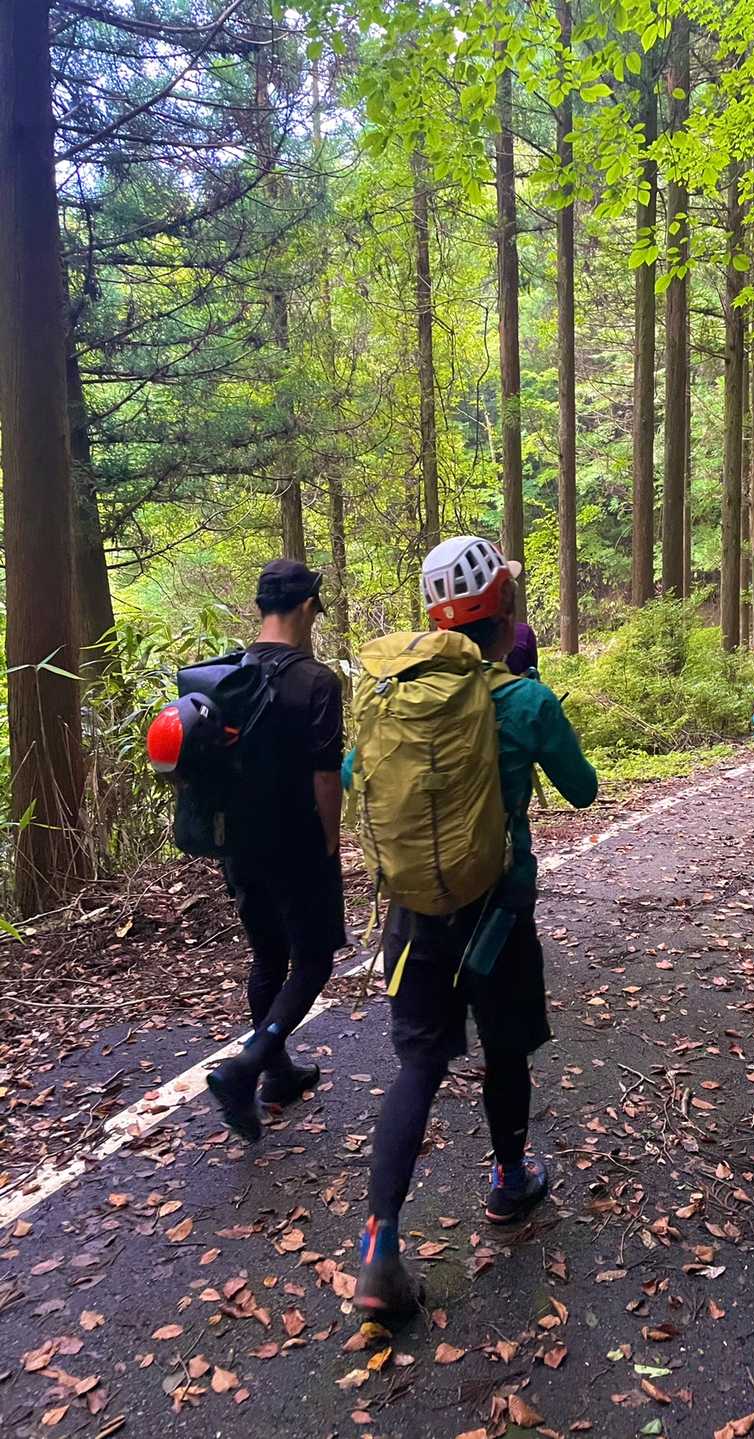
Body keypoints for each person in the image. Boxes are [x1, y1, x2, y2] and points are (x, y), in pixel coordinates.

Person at [355, 536, 597, 1319]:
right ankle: (508, 1179)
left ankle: (380, 1246)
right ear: (503, 611)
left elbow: (358, 775)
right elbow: (585, 789)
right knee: (504, 1048)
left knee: (420, 1064)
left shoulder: (396, 697)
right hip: (498, 913)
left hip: (414, 912)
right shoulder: (524, 701)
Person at [206, 559, 345, 1142]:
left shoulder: (225, 677)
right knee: (313, 961)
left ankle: (279, 1074)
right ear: (308, 606)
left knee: (268, 955)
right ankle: (246, 1068)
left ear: (262, 606)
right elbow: (325, 774)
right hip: (297, 842)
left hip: (238, 844)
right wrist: (331, 839)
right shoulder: (316, 681)